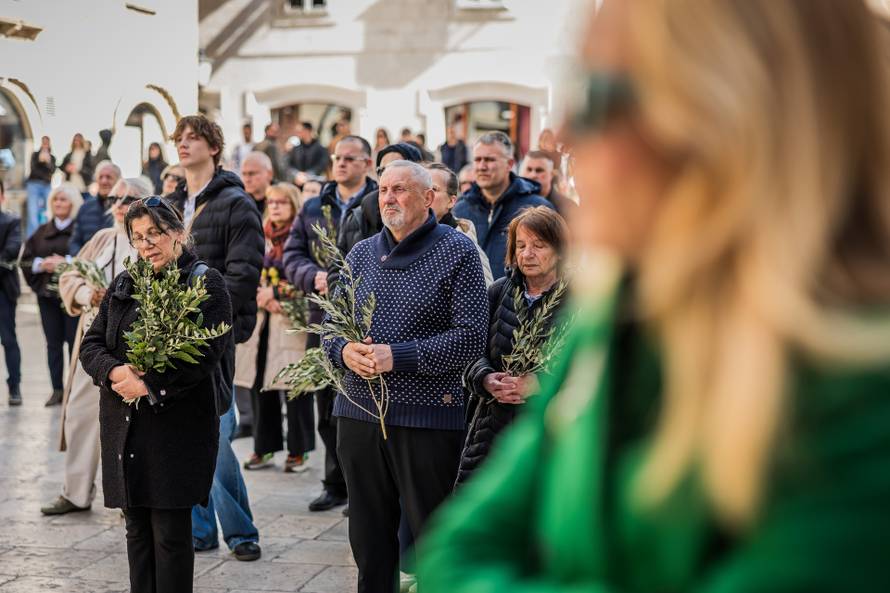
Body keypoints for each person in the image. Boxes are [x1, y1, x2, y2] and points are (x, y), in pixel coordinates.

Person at [419, 2, 890, 592]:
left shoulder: (862, 395)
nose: (564, 136)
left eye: (598, 98)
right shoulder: (619, 318)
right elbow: (453, 551)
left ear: (732, 117)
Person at [323, 160, 488, 593]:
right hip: (358, 414)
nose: (388, 198)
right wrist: (344, 351)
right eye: (383, 190)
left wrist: (396, 357)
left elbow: (471, 338)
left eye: (399, 189)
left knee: (432, 542)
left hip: (427, 418)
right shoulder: (360, 253)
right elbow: (330, 327)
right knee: (369, 542)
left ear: (429, 197)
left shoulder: (458, 251)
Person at [79, 195, 232, 593]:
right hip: (125, 428)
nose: (146, 245)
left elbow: (205, 355)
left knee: (169, 535)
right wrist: (115, 371)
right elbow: (91, 343)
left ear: (178, 233)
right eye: (138, 236)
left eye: (155, 233)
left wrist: (149, 385)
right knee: (136, 530)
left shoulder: (204, 282)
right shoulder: (126, 282)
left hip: (174, 432)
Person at [167, 114, 264, 562]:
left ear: (214, 146)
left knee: (218, 433)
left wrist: (201, 316)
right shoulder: (170, 204)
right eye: (179, 138)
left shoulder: (236, 203)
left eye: (193, 138)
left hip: (214, 333)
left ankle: (241, 532)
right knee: (187, 433)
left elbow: (243, 275)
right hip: (170, 334)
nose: (184, 144)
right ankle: (200, 530)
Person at [41, 178, 150, 515]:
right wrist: (88, 294)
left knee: (132, 423)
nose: (118, 204)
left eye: (127, 198)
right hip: (93, 344)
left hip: (133, 348)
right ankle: (75, 492)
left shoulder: (149, 241)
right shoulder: (102, 238)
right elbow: (70, 274)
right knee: (79, 414)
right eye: (114, 197)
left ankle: (132, 499)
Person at [282, 134, 377, 513]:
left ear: (367, 163)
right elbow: (292, 254)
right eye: (338, 157)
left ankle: (363, 488)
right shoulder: (313, 206)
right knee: (326, 404)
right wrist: (313, 276)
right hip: (323, 317)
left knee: (363, 405)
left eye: (350, 158)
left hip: (367, 318)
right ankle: (334, 483)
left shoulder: (378, 201)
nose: (341, 163)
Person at [456, 206, 568, 485]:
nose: (527, 254)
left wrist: (540, 384)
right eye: (521, 245)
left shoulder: (577, 298)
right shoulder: (498, 291)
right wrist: (485, 378)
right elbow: (470, 350)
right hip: (491, 430)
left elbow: (587, 365)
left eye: (538, 245)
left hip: (548, 431)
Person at [235, 183, 315, 472]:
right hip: (261, 319)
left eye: (283, 202)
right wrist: (260, 293)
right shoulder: (262, 234)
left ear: (294, 205)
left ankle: (299, 450)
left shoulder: (303, 234)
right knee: (260, 384)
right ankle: (263, 447)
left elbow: (308, 275)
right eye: (272, 202)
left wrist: (278, 293)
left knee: (296, 386)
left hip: (291, 321)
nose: (276, 207)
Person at [452, 132, 554, 280]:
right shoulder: (460, 210)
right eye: (477, 159)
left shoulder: (537, 208)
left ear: (509, 164)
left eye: (489, 159)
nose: (482, 166)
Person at [21, 183, 83, 406]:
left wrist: (66, 262)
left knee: (75, 343)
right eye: (55, 199)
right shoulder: (41, 232)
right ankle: (57, 389)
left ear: (73, 203)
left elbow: (87, 258)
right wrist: (41, 264)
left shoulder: (79, 231)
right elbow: (26, 260)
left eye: (63, 199)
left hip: (73, 298)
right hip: (47, 298)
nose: (58, 203)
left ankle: (74, 389)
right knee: (53, 344)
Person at [337, 142, 421, 259]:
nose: (387, 176)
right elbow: (338, 265)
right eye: (382, 171)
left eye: (395, 169)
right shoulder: (358, 216)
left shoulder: (432, 216)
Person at [425, 162, 493, 286]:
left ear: (451, 201)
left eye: (434, 189)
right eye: (421, 189)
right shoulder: (405, 238)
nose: (425, 195)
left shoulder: (467, 248)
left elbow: (485, 293)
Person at [69, 160, 121, 254]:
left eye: (108, 177)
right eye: (100, 177)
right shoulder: (85, 207)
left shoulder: (124, 207)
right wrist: (81, 259)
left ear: (118, 181)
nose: (104, 181)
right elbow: (74, 241)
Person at [0, 179, 21, 406]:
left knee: (8, 339)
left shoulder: (12, 220)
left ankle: (14, 387)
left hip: (3, 290)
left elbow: (12, 250)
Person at [520, 150, 576, 214]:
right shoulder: (514, 200)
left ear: (551, 174)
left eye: (539, 170)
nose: (533, 175)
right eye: (529, 169)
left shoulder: (568, 208)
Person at [25, 135, 57, 237]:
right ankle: (33, 237)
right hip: (33, 184)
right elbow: (33, 169)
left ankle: (47, 234)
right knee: (32, 211)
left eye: (47, 143)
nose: (45, 145)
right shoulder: (35, 155)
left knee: (49, 210)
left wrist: (47, 162)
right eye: (43, 142)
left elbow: (53, 171)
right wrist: (40, 161)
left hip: (46, 185)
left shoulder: (52, 158)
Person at [287, 121, 330, 186]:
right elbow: (289, 165)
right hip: (297, 182)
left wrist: (308, 174)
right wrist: (297, 174)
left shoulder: (321, 149)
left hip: (314, 183)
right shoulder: (296, 148)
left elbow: (322, 164)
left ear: (307, 131)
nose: (297, 134)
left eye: (299, 131)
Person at [241, 151, 275, 216]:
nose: (247, 179)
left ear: (269, 174)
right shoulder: (240, 202)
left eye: (252, 174)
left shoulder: (283, 199)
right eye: (244, 174)